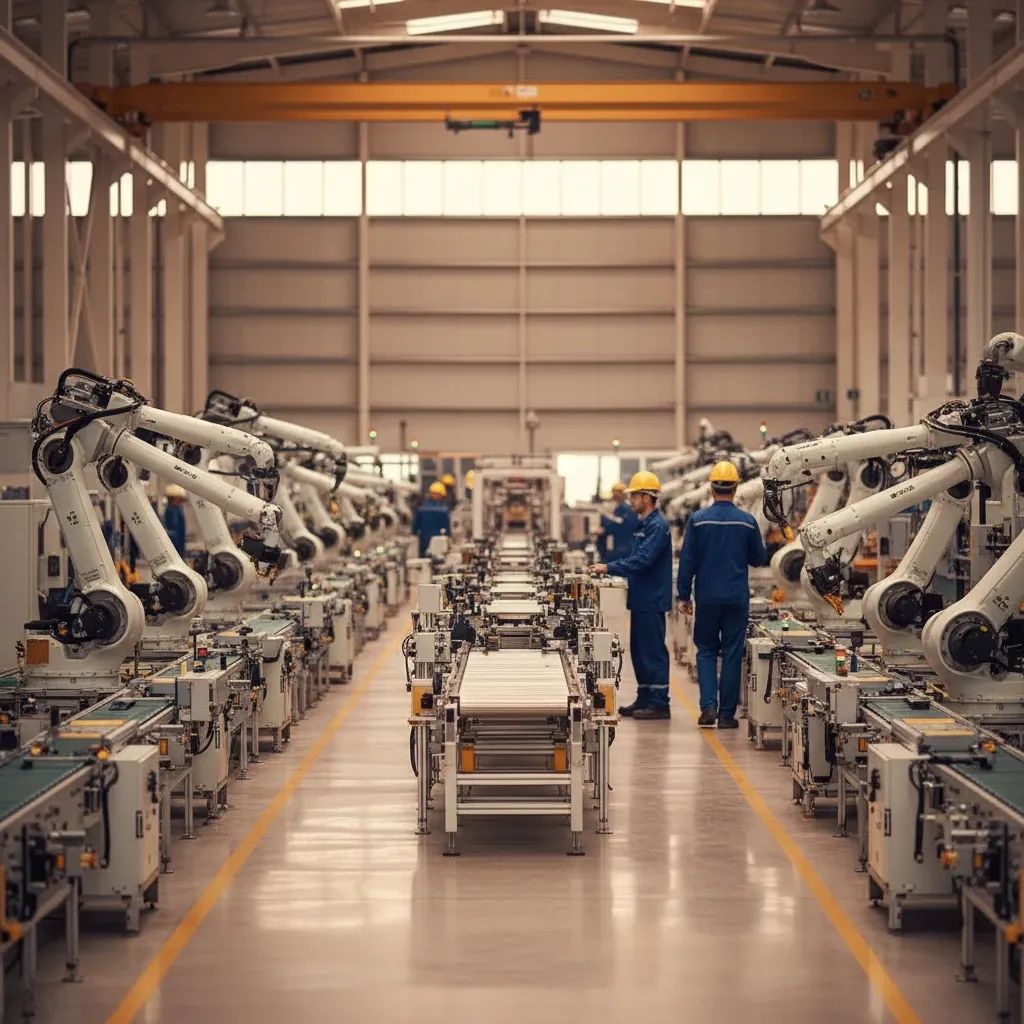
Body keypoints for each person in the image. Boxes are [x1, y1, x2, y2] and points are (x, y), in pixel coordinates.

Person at [676, 460, 767, 730]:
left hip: (707, 597)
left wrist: (683, 595)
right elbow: (758, 559)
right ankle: (727, 715)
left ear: (711, 488)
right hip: (736, 598)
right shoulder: (747, 522)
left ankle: (708, 708)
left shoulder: (698, 520)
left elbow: (687, 561)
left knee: (705, 650)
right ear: (736, 488)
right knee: (731, 653)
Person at [589, 471, 673, 720]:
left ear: (646, 497)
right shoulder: (644, 524)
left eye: (634, 495)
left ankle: (659, 703)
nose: (631, 500)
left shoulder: (657, 526)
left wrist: (608, 567)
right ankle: (645, 697)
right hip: (640, 597)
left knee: (652, 651)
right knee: (639, 649)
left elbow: (643, 560)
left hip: (652, 598)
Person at [596, 481, 638, 563]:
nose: (615, 495)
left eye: (618, 493)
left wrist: (605, 529)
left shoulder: (626, 509)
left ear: (623, 494)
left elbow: (621, 524)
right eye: (614, 492)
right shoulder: (619, 508)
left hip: (624, 548)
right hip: (619, 547)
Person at [413, 481, 452, 557]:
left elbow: (414, 529)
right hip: (440, 543)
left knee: (424, 561)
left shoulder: (421, 509)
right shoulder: (444, 510)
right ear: (441, 495)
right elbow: (447, 530)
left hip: (424, 541)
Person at [163, 484, 188, 557]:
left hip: (178, 538)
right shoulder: (172, 510)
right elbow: (174, 527)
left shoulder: (176, 509)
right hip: (176, 539)